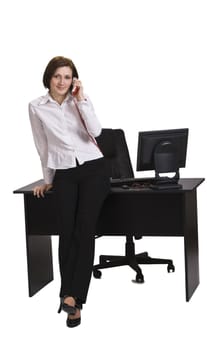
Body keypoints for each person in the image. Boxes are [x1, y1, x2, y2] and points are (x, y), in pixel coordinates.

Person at [29, 56, 110, 328]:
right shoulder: (36, 107)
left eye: (67, 76)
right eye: (57, 76)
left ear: (74, 79)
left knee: (84, 230)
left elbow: (97, 131)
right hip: (64, 171)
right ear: (48, 78)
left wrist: (82, 99)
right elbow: (42, 146)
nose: (62, 82)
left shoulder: (80, 101)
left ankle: (73, 300)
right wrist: (48, 179)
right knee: (67, 231)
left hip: (94, 169)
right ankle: (68, 295)